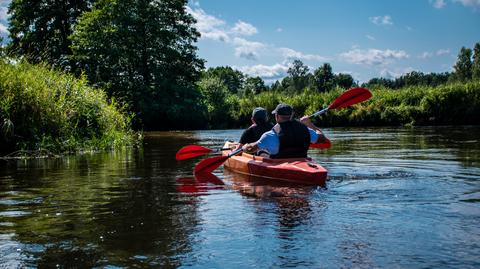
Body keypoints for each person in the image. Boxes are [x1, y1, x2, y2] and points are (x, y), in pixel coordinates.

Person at [242, 103, 327, 159]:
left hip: (280, 163)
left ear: (276, 116)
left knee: (261, 151)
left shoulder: (270, 135)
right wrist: (310, 124)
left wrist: (245, 147)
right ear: (291, 115)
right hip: (302, 160)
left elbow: (251, 149)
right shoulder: (306, 129)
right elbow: (323, 139)